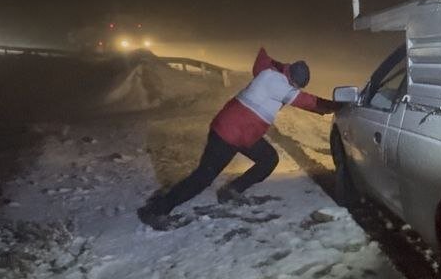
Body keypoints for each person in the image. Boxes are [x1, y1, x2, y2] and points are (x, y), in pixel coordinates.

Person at [137, 47, 340, 229]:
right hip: (227, 133)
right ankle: (155, 211)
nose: (296, 89)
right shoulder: (273, 79)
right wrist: (336, 106)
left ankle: (232, 191)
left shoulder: (279, 78)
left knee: (268, 158)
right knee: (202, 178)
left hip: (244, 133)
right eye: (296, 85)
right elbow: (306, 101)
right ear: (291, 78)